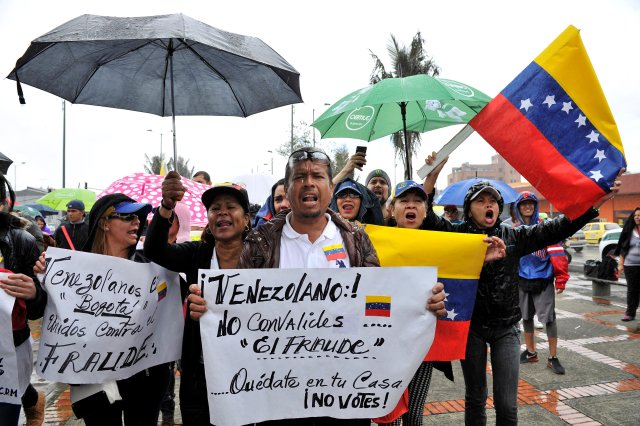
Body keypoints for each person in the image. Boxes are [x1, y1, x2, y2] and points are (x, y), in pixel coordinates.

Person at [188, 147, 449, 425]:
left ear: (330, 186)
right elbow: (238, 310)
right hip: (277, 397)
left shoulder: (356, 239)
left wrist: (419, 303)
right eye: (300, 177)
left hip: (343, 394)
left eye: (318, 176)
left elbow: (377, 302)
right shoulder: (261, 242)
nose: (309, 182)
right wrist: (210, 306)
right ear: (287, 191)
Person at [421, 153, 622, 425]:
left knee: (507, 405)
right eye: (481, 200)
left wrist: (593, 205)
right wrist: (431, 178)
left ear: (500, 207)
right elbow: (429, 222)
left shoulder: (515, 235)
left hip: (507, 329)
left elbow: (558, 227)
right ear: (469, 209)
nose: (488, 204)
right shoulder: (457, 235)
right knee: (475, 397)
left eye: (492, 200)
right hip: (472, 329)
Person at [37, 194, 170, 425]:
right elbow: (44, 311)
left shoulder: (152, 267)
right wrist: (40, 282)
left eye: (139, 217)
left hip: (145, 375)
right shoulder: (72, 269)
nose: (136, 222)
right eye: (128, 216)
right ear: (104, 223)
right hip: (92, 374)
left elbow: (168, 308)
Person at [144, 177, 252, 425]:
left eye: (230, 207)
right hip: (201, 377)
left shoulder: (263, 258)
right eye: (215, 209)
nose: (222, 212)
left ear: (246, 218)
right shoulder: (197, 254)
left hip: (249, 373)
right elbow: (154, 250)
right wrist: (167, 207)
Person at [0, 174, 46, 426]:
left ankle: (29, 400)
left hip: (11, 345)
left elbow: (38, 310)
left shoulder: (22, 241)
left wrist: (33, 292)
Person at [512, 192, 569, 375]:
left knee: (549, 319)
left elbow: (558, 252)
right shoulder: (515, 230)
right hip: (522, 280)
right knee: (526, 317)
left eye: (531, 203)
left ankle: (552, 357)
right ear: (518, 208)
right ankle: (531, 352)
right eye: (523, 204)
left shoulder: (545, 228)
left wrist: (561, 278)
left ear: (535, 206)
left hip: (543, 279)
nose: (527, 207)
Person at [615, 207, 640, 321]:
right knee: (632, 289)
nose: (637, 217)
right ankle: (630, 313)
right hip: (630, 265)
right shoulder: (629, 230)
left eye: (639, 215)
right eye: (635, 215)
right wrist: (620, 264)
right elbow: (623, 248)